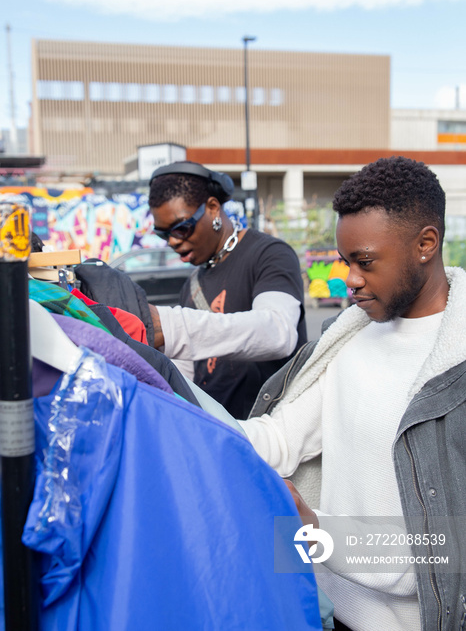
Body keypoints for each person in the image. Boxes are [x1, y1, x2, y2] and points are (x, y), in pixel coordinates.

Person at [241, 156, 466, 631]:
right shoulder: (348, 340)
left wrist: (311, 531)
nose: (350, 278)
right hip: (326, 614)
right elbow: (279, 440)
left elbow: (439, 551)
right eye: (346, 261)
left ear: (426, 243)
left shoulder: (456, 367)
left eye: (364, 261)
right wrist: (173, 410)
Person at [147, 160, 307, 419]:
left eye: (181, 227)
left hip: (269, 433)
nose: (174, 241)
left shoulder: (269, 254)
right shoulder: (192, 285)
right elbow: (186, 372)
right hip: (217, 431)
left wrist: (172, 326)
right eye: (164, 234)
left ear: (212, 208)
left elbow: (279, 332)